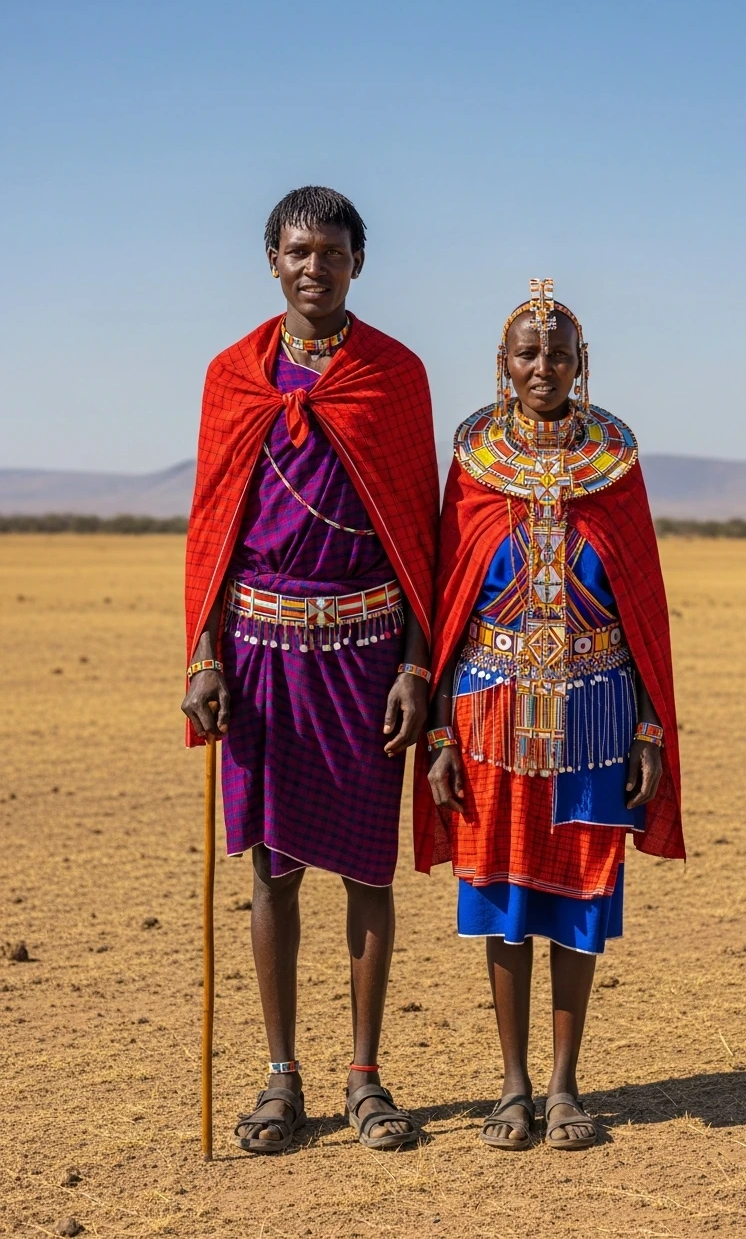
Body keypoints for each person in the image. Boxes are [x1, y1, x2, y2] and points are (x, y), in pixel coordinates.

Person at [182, 186, 439, 1153]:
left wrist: (418, 669)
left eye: (332, 252)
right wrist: (203, 654)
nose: (314, 267)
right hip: (256, 654)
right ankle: (282, 1076)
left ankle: (366, 1077)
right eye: (298, 251)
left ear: (357, 264)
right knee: (272, 871)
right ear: (273, 261)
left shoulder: (394, 376)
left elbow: (424, 536)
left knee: (368, 871)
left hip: (368, 656)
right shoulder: (233, 377)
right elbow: (210, 527)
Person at [414, 280, 685, 1150]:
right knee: (500, 896)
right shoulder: (475, 466)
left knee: (580, 896)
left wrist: (649, 726)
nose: (543, 366)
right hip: (488, 708)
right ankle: (512, 1086)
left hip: (600, 709)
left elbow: (643, 602)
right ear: (504, 364)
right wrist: (441, 731)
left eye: (558, 352)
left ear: (581, 363)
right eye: (527, 352)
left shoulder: (615, 466)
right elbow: (449, 600)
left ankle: (566, 1087)